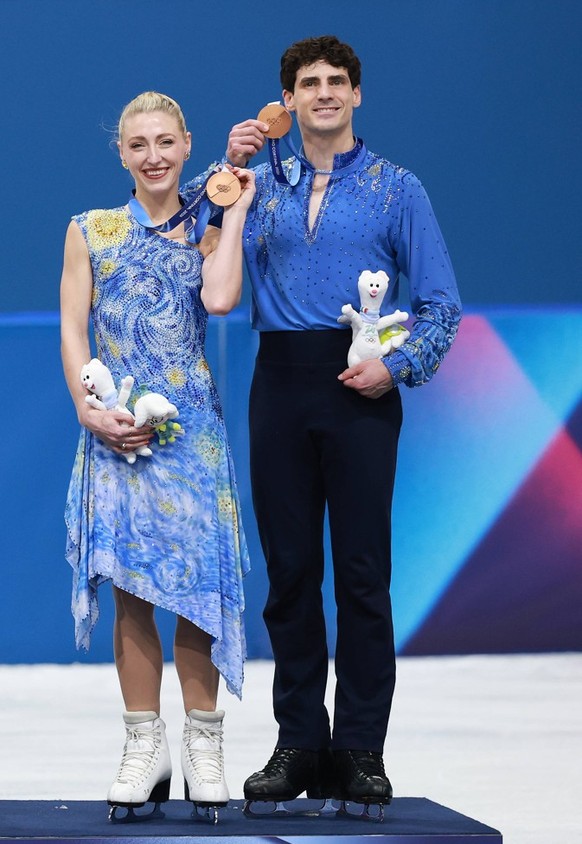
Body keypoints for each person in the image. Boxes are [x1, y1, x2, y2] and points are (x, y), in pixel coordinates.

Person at [212, 35, 462, 809]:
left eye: (337, 81)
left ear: (357, 96)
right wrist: (224, 162)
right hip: (279, 382)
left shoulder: (398, 189)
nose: (323, 92)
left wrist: (397, 366)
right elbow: (190, 226)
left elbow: (442, 306)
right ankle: (297, 745)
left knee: (361, 574)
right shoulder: (255, 184)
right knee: (289, 577)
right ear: (286, 99)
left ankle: (358, 748)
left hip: (361, 387)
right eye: (307, 82)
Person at [60, 91, 255, 820]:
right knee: (134, 593)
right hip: (115, 433)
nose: (153, 156)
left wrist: (232, 213)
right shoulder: (91, 229)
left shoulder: (206, 227)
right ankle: (145, 747)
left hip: (190, 437)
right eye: (138, 144)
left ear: (186, 144)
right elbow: (73, 327)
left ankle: (204, 744)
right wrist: (89, 408)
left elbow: (225, 297)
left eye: (166, 142)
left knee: (197, 591)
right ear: (121, 153)